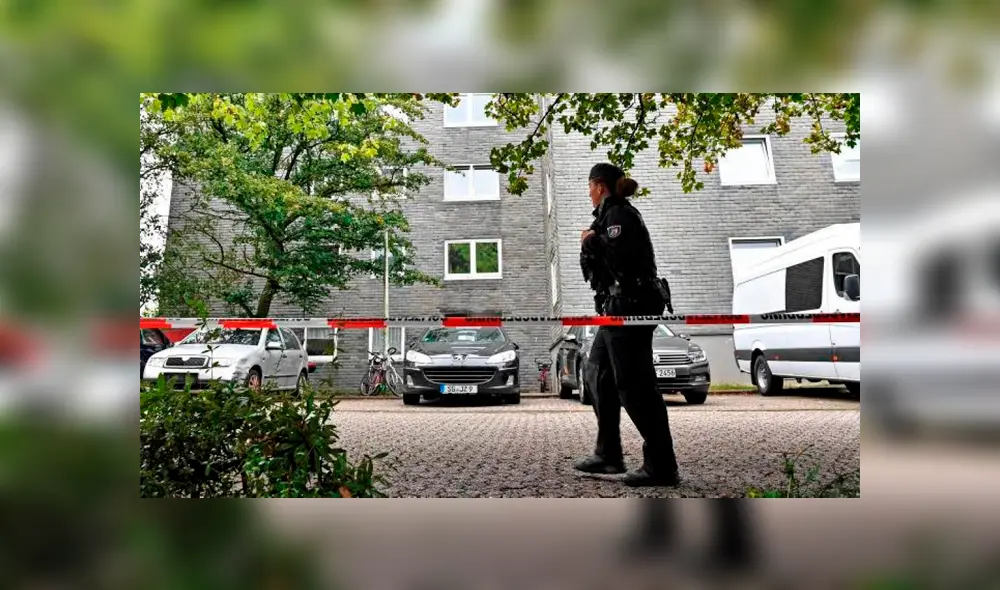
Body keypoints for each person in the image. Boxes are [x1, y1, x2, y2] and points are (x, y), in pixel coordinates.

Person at [574, 162, 680, 487]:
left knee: (635, 386)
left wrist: (591, 241)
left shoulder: (620, 215)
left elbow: (621, 261)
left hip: (631, 306)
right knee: (598, 375)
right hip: (614, 307)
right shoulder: (607, 217)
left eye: (590, 187)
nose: (588, 193)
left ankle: (662, 465)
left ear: (600, 186)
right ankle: (608, 455)